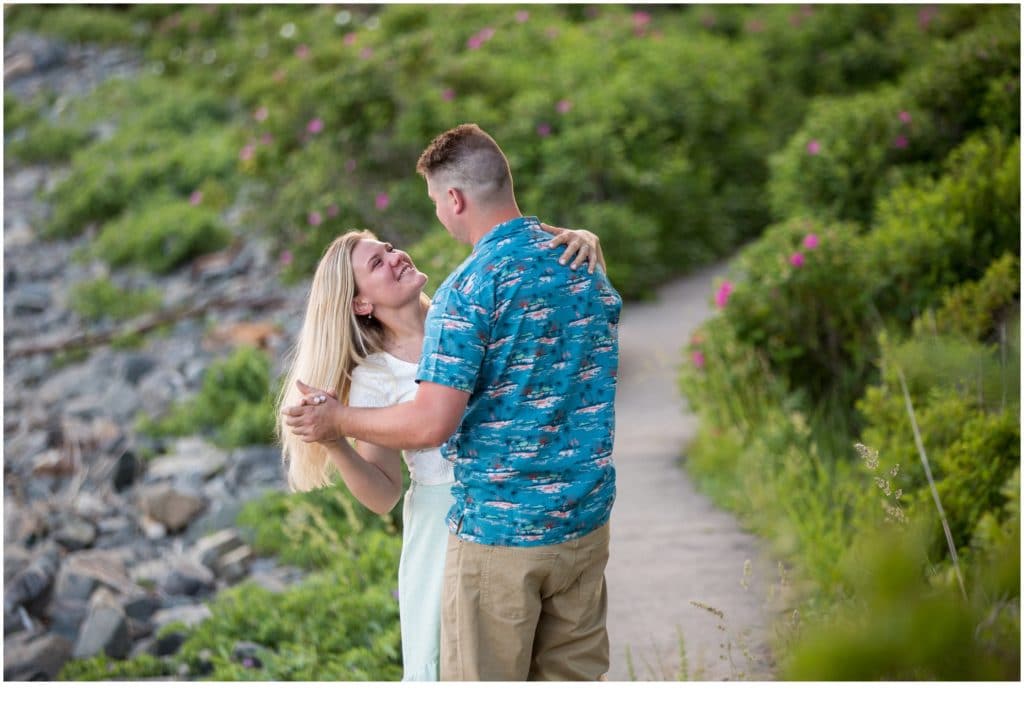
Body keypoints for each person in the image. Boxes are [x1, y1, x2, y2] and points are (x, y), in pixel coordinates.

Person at [284, 123, 622, 681]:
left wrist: (581, 235)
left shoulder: (465, 301)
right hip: (505, 521)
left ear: (454, 199)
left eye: (388, 248)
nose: (394, 256)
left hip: (496, 525)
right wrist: (336, 437)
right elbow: (384, 491)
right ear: (360, 304)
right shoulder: (384, 367)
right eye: (376, 263)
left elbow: (435, 422)